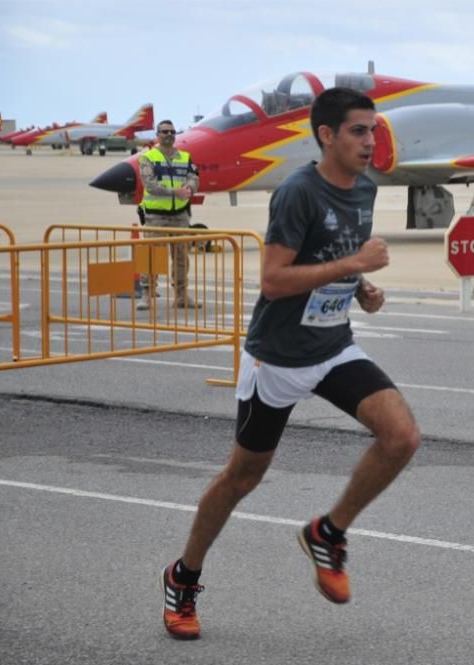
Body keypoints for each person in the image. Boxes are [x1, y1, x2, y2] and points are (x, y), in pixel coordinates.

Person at [161, 88, 421, 640]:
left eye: (373, 130)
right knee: (242, 477)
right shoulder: (299, 192)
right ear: (326, 135)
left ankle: (327, 533)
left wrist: (361, 287)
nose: (371, 141)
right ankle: (183, 577)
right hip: (276, 359)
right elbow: (275, 281)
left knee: (401, 437)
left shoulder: (366, 188)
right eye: (358, 131)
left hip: (331, 347)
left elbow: (330, 261)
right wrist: (354, 263)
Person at [136, 119, 201, 310]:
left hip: (180, 216)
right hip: (156, 216)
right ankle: (147, 295)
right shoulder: (148, 157)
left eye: (172, 132)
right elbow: (150, 185)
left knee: (181, 258)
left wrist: (190, 187)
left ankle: (181, 296)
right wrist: (176, 192)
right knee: (152, 256)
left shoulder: (185, 157)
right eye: (165, 132)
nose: (169, 135)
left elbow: (194, 177)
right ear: (157, 135)